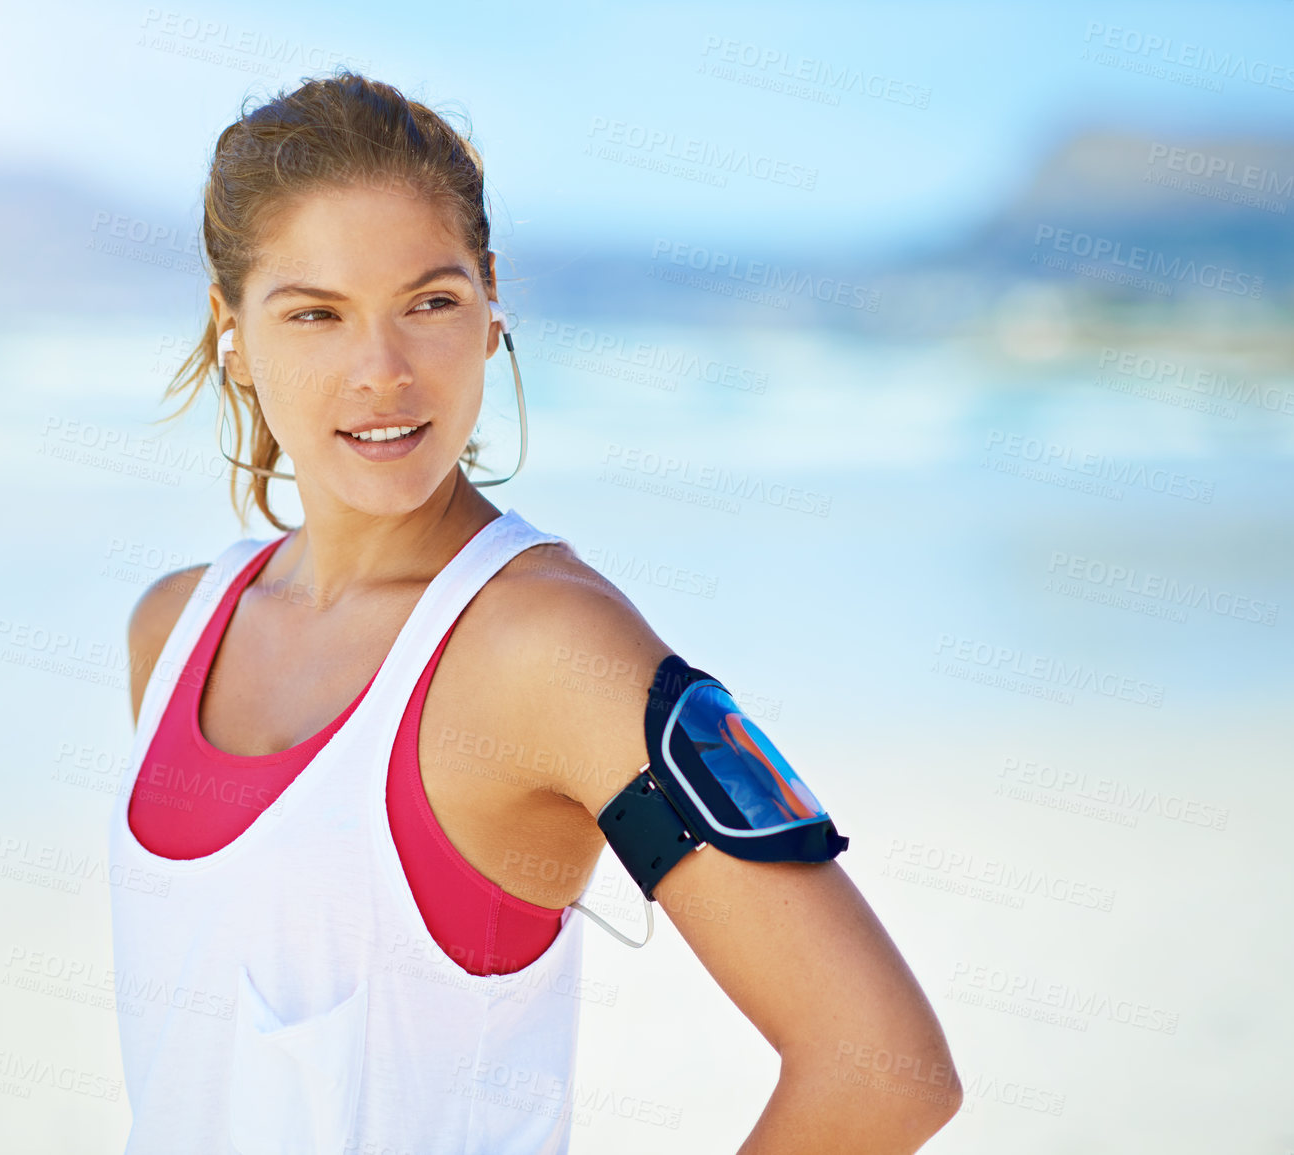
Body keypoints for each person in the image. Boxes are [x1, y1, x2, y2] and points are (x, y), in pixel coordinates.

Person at [109, 70, 960, 1155]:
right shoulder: (172, 631)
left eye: (430, 303)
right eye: (316, 314)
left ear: (491, 298)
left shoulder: (548, 648)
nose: (383, 371)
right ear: (232, 326)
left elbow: (882, 1070)